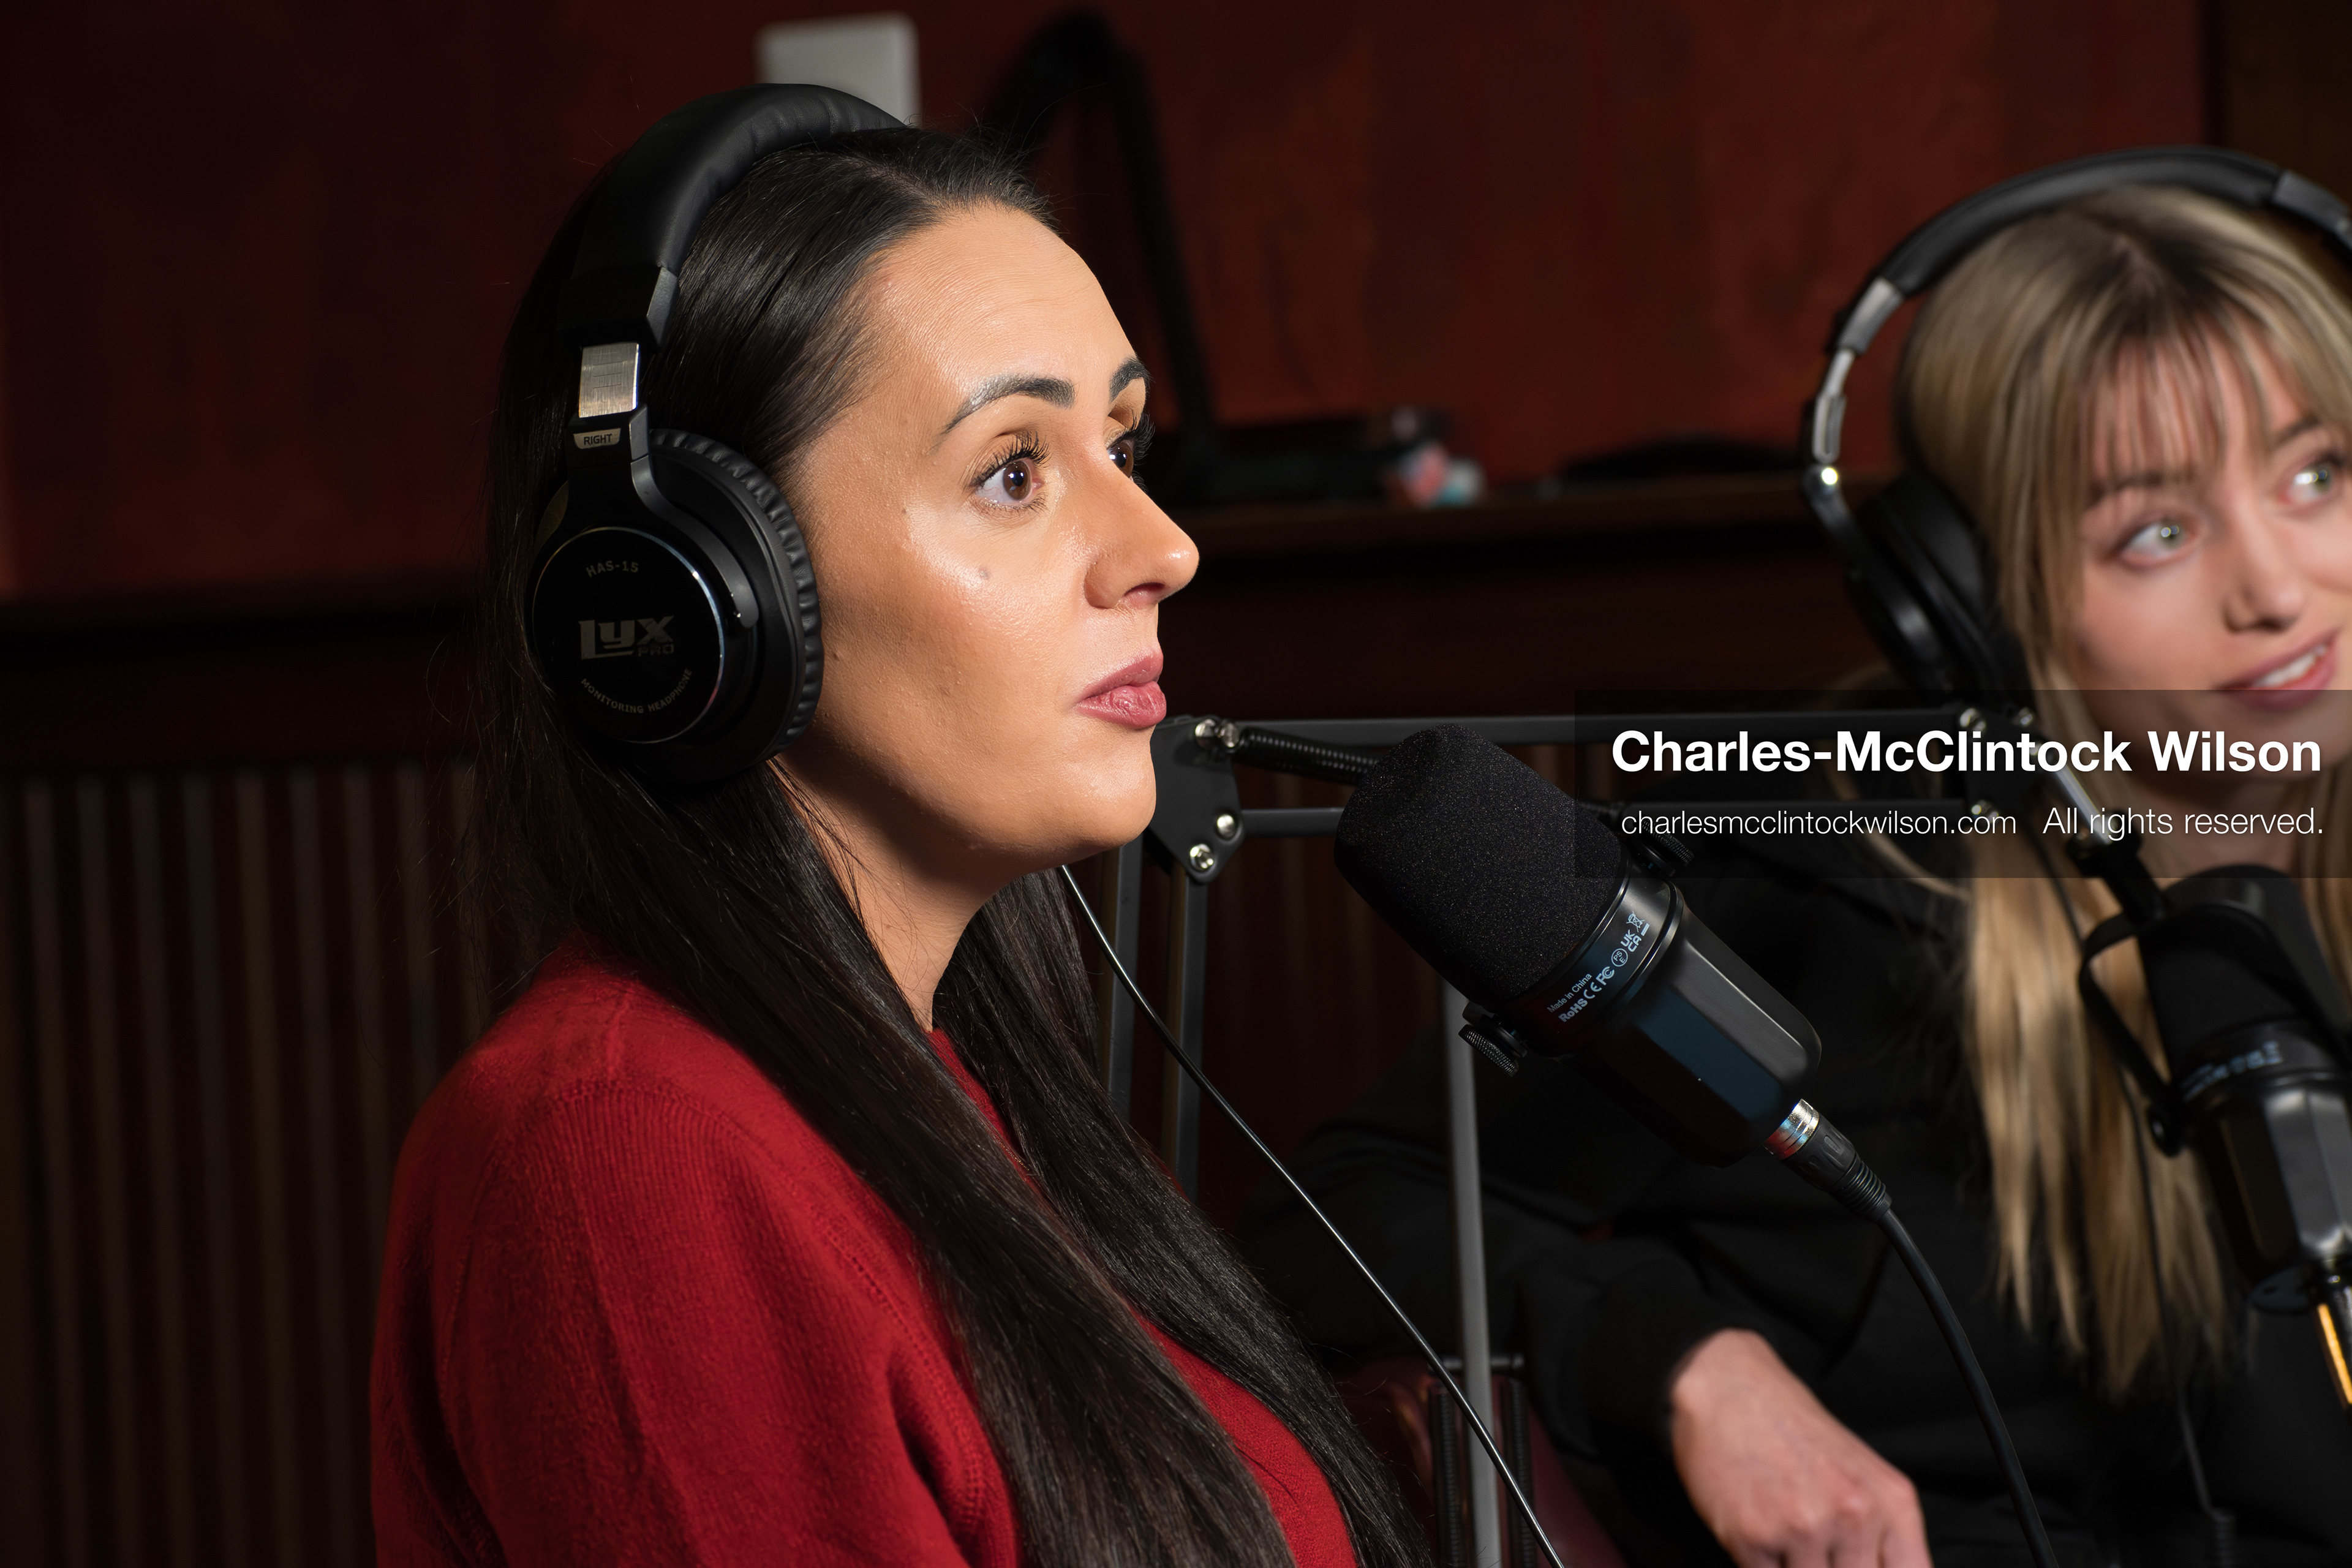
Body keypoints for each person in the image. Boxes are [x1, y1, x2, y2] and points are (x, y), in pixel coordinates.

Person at [369, 114, 1428, 1567]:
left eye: (1119, 440)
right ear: (705, 590)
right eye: (1012, 470)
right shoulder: (627, 1153)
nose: (1164, 546)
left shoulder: (949, 1096)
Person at [1243, 184, 2352, 1567]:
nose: (2282, 587)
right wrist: (1689, 1360)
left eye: (2318, 475)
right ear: (1972, 600)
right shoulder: (1817, 853)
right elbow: (1344, 1207)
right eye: (2157, 532)